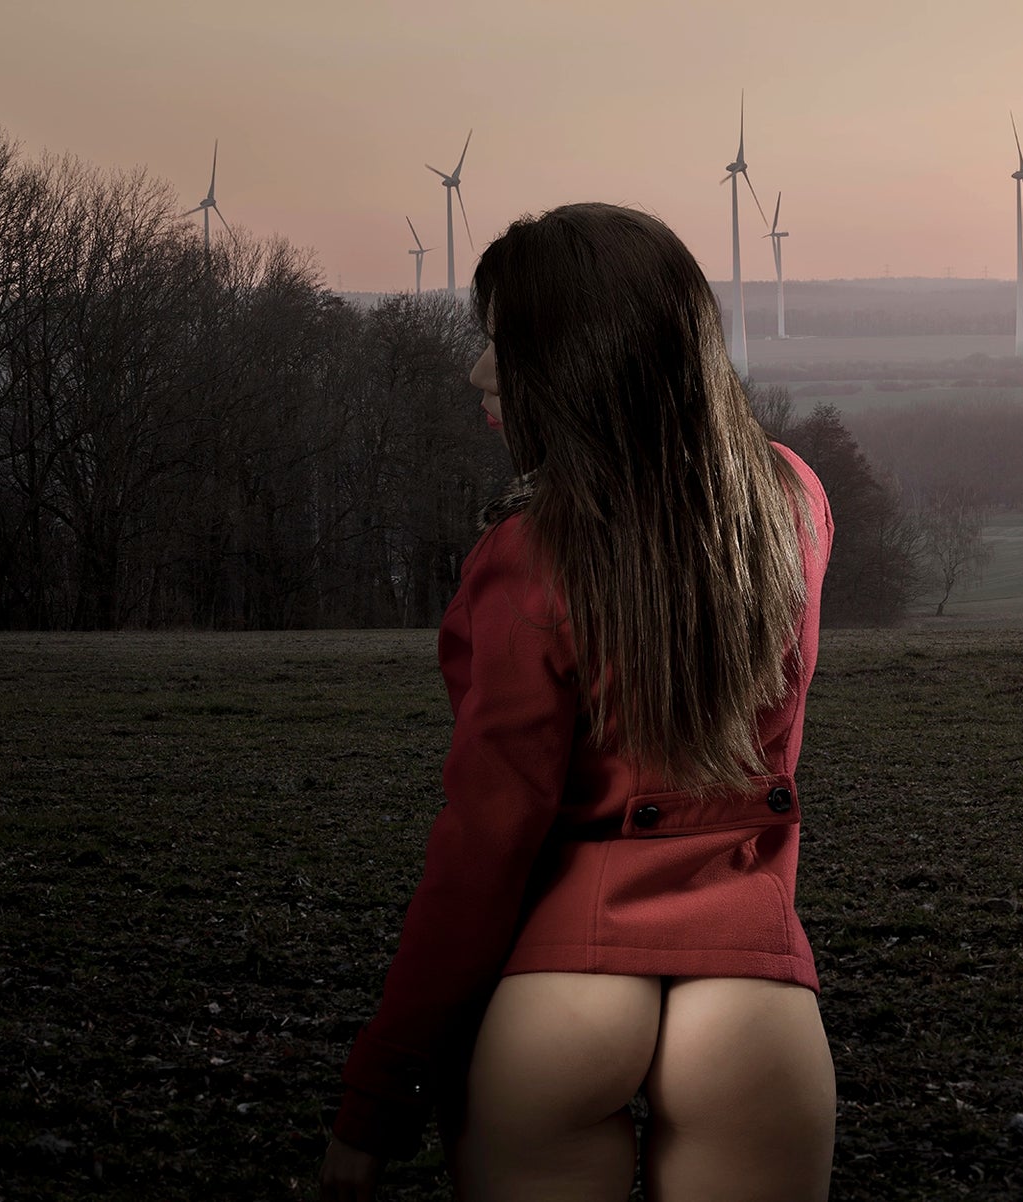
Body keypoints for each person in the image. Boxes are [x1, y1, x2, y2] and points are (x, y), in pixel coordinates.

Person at [318, 202, 839, 1201]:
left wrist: (374, 1095)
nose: (479, 373)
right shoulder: (794, 506)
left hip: (562, 996)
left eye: (502, 347)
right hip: (757, 998)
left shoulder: (527, 562)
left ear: (579, 366)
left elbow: (483, 847)